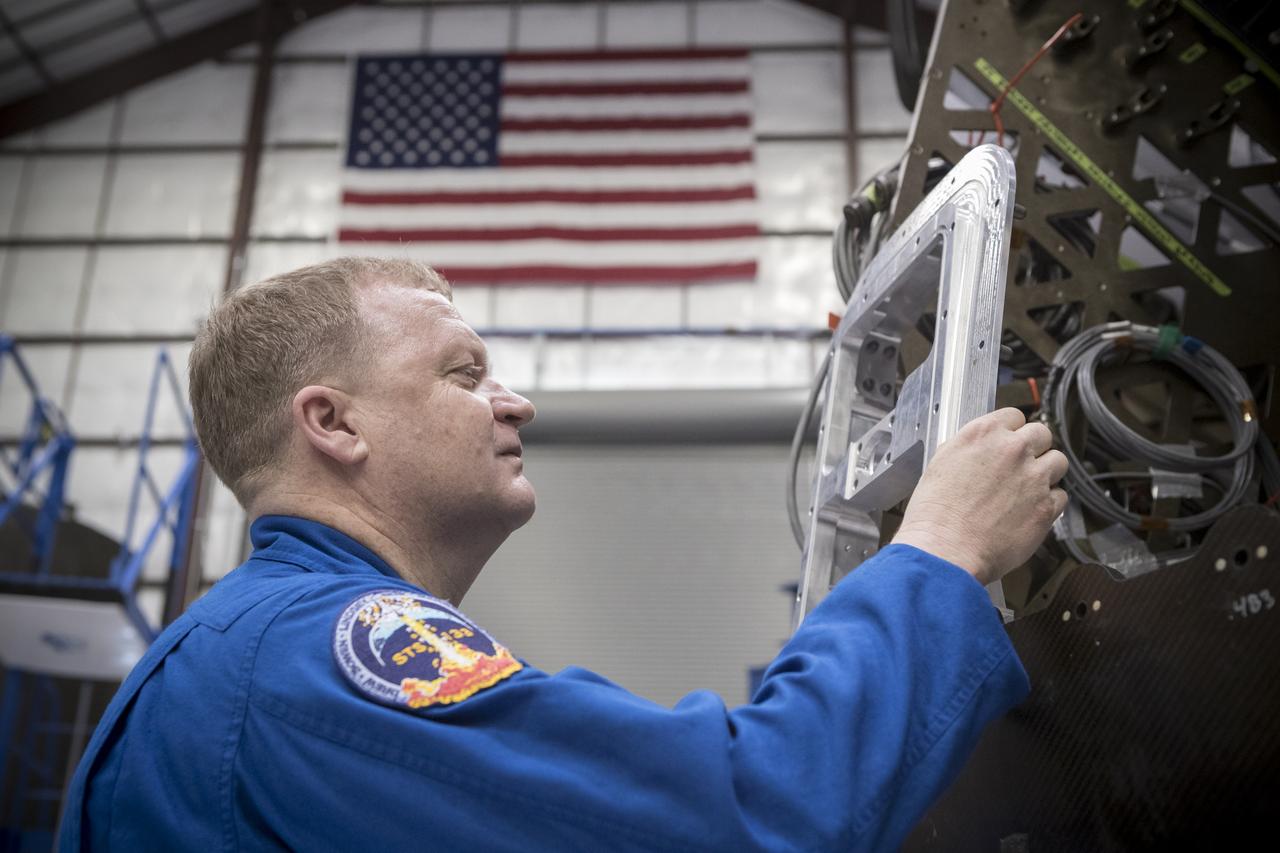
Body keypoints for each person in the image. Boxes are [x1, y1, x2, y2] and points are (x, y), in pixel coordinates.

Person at [58, 257, 1067, 852]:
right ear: (332, 422)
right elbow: (749, 813)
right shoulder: (321, 656)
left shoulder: (236, 654)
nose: (516, 401)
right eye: (463, 374)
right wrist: (938, 550)